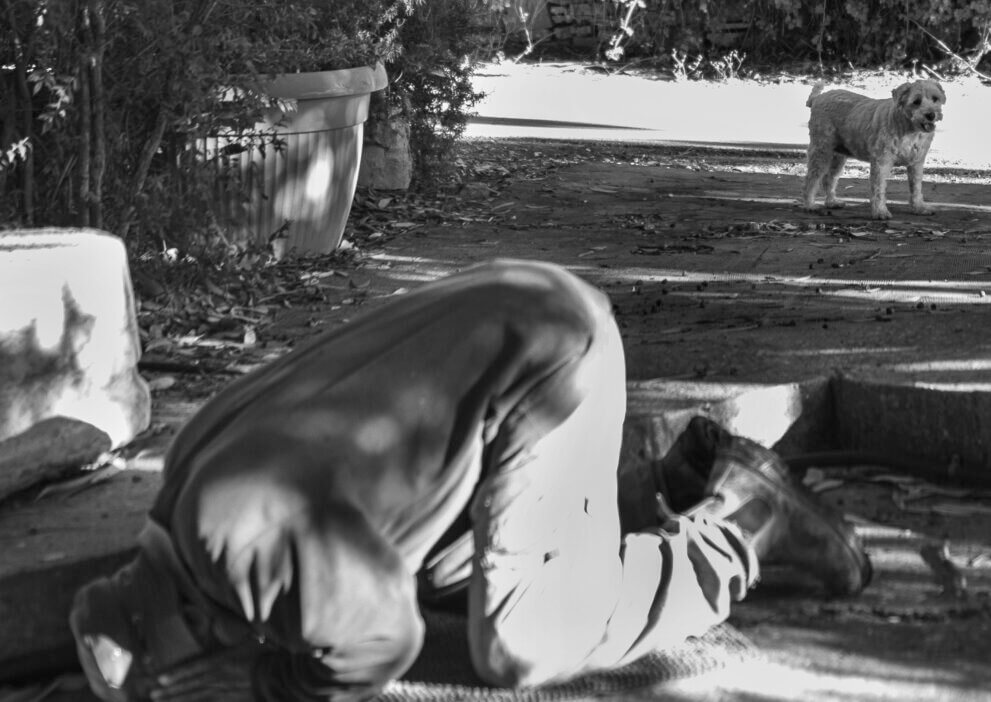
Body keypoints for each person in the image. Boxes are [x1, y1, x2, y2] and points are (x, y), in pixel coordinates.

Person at [68, 259, 870, 700]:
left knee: (518, 644)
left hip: (551, 360)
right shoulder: (185, 484)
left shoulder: (235, 548)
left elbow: (382, 645)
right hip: (514, 315)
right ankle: (661, 485)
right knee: (442, 575)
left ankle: (743, 522)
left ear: (185, 630)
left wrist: (266, 680)